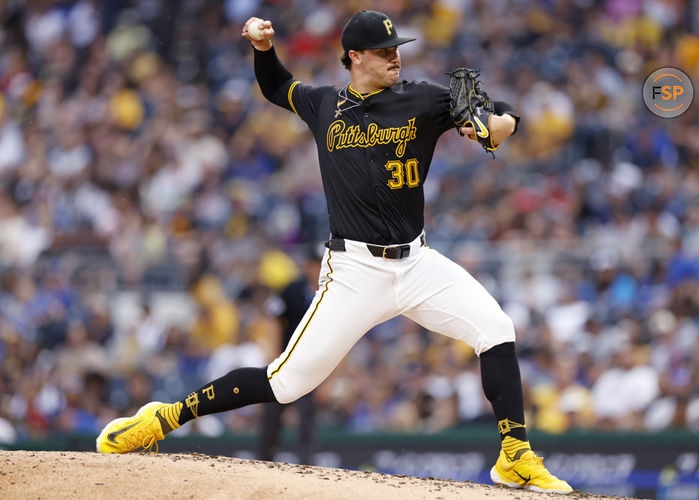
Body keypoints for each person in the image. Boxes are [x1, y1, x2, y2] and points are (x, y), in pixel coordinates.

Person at [96, 10, 572, 494]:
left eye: (397, 48)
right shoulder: (324, 104)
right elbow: (275, 86)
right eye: (385, 51)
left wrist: (499, 123)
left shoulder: (424, 98)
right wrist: (263, 51)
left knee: (496, 328)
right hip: (355, 270)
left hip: (417, 262)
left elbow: (496, 117)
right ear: (354, 57)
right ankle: (163, 418)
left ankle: (515, 456)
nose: (395, 57)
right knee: (286, 383)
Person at [257, 248, 320, 463]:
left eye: (320, 264)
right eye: (314, 264)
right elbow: (271, 318)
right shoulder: (292, 289)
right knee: (272, 412)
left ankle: (306, 463)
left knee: (307, 416)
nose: (317, 269)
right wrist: (274, 356)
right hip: (287, 360)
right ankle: (265, 458)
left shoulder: (334, 291)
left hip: (314, 365)